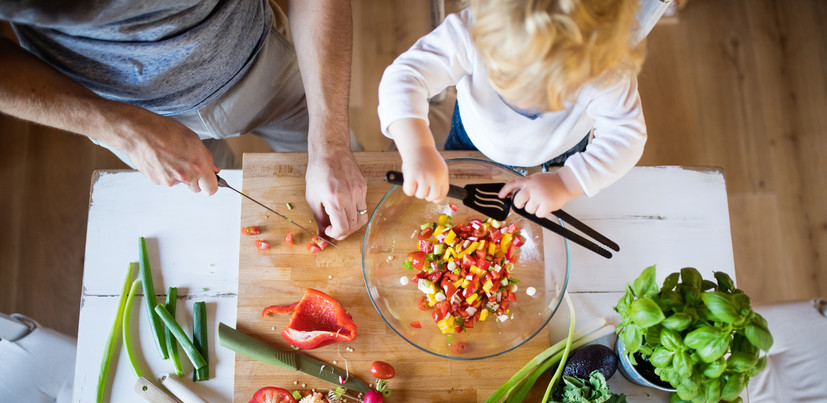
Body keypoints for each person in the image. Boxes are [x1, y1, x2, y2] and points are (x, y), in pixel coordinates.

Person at [0, 0, 367, 240]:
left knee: (347, 191)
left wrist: (330, 145)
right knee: (226, 224)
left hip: (260, 61)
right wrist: (124, 130)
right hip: (121, 112)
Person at [378, 0, 647, 219]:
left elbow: (625, 136)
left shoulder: (607, 66)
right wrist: (418, 149)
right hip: (473, 139)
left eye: (552, 90)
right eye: (509, 75)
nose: (528, 103)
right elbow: (406, 75)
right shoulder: (474, 31)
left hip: (560, 155)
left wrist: (567, 183)